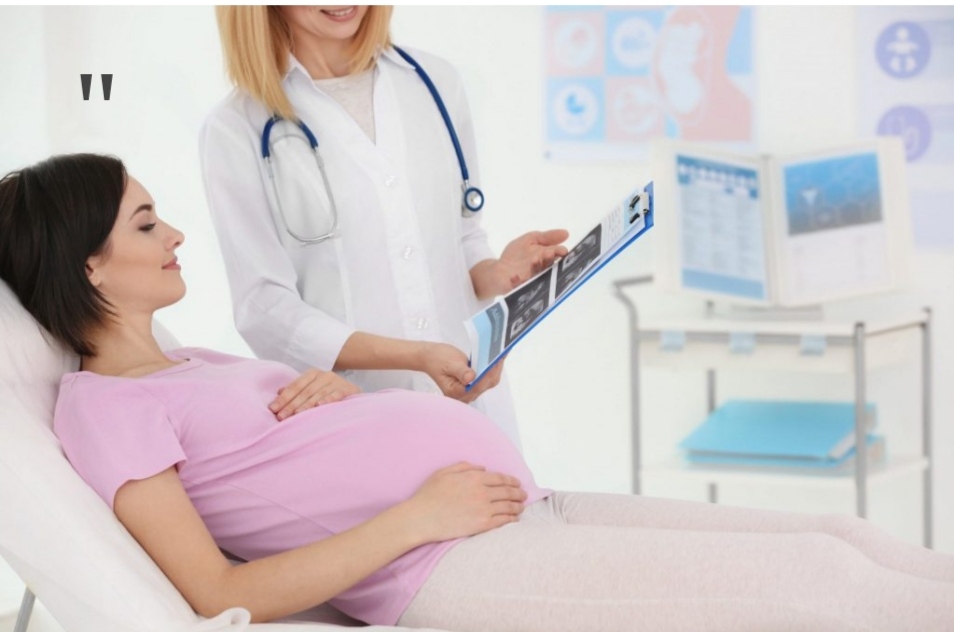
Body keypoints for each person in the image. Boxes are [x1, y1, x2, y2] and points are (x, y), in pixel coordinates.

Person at [2, 154, 953, 632]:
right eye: (146, 223)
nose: (175, 236)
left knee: (841, 538)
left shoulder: (191, 362)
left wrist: (336, 395)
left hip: (514, 507)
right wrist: (417, 515)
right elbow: (215, 595)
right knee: (825, 586)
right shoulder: (101, 409)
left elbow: (275, 469)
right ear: (89, 264)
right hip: (443, 561)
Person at [199, 5, 570, 450]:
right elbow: (265, 308)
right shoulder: (236, 128)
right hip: (355, 421)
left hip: (471, 405)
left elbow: (463, 234)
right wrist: (415, 356)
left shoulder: (434, 83)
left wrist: (499, 272)